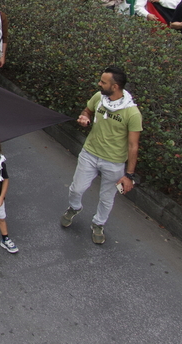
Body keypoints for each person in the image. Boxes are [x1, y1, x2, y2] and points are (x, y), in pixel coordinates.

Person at [61, 66, 142, 244]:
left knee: (106, 198)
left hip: (114, 162)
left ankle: (98, 224)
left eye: (103, 82)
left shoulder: (132, 113)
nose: (99, 84)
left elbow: (133, 146)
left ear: (115, 86)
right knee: (76, 189)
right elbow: (87, 110)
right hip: (89, 154)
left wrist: (129, 175)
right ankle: (74, 207)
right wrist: (84, 117)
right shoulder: (99, 97)